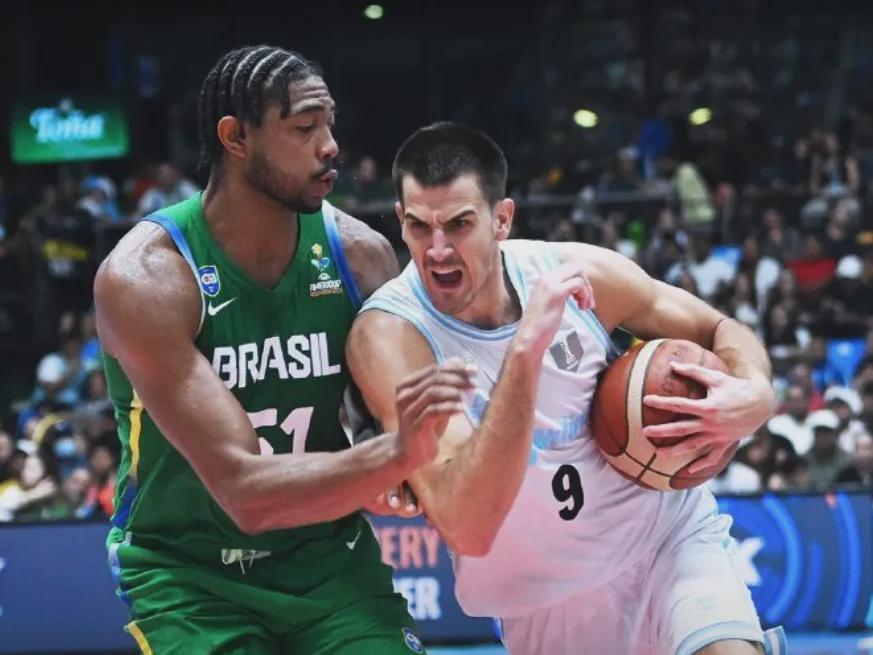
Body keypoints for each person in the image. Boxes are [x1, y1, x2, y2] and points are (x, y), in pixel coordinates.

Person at [347, 122, 786, 655]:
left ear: (501, 219)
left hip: (665, 543)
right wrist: (526, 349)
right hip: (541, 602)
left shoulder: (577, 271)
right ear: (400, 220)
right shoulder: (392, 337)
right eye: (419, 227)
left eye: (459, 224)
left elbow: (718, 328)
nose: (437, 250)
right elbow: (466, 523)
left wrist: (754, 392)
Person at [94, 46, 471, 654]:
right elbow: (245, 493)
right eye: (304, 128)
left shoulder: (360, 256)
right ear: (235, 138)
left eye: (329, 125)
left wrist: (405, 467)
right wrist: (394, 455)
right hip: (189, 577)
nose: (331, 147)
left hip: (328, 561)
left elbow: (383, 420)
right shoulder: (146, 279)